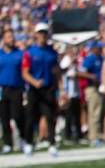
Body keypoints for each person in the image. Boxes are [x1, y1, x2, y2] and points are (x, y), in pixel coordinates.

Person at [21, 23, 60, 157]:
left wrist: (61, 89)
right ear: (36, 35)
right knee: (31, 117)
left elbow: (56, 72)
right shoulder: (30, 52)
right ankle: (28, 143)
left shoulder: (52, 52)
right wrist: (34, 82)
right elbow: (25, 72)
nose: (42, 35)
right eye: (40, 33)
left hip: (48, 88)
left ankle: (52, 144)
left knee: (50, 116)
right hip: (34, 89)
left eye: (44, 32)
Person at [0, 28, 25, 154]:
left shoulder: (19, 54)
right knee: (4, 118)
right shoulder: (0, 54)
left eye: (12, 36)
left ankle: (22, 139)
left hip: (16, 89)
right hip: (3, 89)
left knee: (17, 116)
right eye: (9, 37)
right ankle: (8, 143)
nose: (12, 39)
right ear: (3, 39)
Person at [78, 41, 104, 146]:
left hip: (100, 87)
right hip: (92, 88)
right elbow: (80, 72)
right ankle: (93, 137)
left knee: (99, 112)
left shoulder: (101, 58)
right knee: (94, 112)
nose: (100, 49)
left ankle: (98, 134)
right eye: (98, 48)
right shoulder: (90, 59)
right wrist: (92, 76)